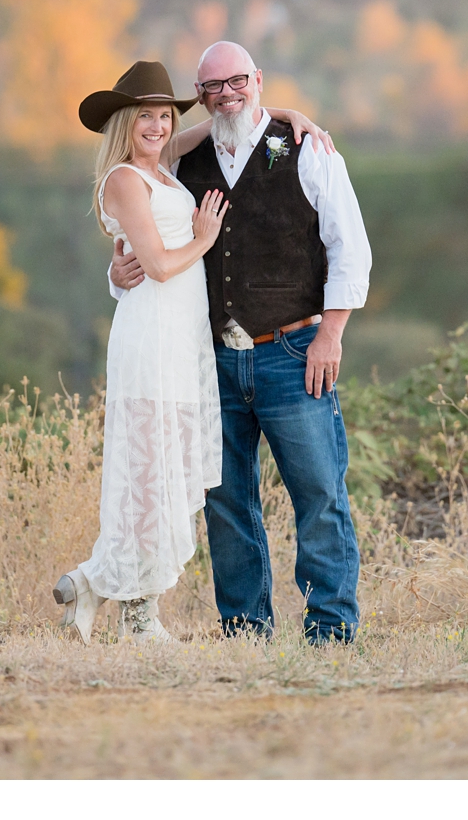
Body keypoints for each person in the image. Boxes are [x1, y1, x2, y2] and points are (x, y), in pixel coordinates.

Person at [55, 60, 331, 643]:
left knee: (169, 473)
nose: (157, 127)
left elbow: (222, 121)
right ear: (124, 123)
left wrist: (282, 112)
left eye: (163, 115)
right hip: (152, 339)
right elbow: (155, 265)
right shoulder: (127, 179)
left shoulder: (160, 167)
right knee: (151, 471)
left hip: (184, 341)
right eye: (144, 117)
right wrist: (203, 239)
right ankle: (132, 612)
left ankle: (94, 587)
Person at [110, 41, 371, 643]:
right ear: (200, 98)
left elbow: (349, 249)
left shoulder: (308, 151)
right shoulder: (178, 161)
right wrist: (115, 271)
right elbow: (140, 227)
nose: (226, 93)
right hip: (209, 360)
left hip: (293, 353)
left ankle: (330, 629)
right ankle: (245, 629)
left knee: (319, 494)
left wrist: (331, 333)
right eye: (212, 87)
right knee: (227, 504)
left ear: (258, 80)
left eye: (236, 82)